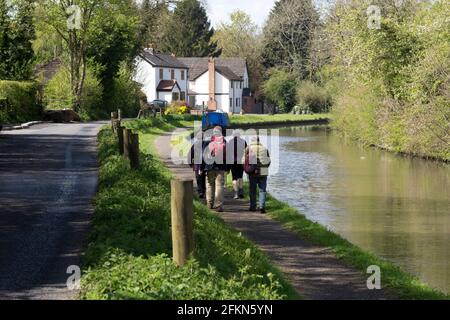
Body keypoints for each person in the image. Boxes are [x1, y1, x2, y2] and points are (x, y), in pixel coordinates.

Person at [243, 136, 271, 213]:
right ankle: (262, 206)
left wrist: (247, 169)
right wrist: (265, 167)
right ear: (259, 140)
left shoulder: (248, 148)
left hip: (253, 172)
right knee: (262, 190)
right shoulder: (264, 148)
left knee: (252, 190)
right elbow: (268, 161)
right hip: (264, 171)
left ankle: (253, 207)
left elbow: (244, 160)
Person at [204, 126, 228, 212]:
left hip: (210, 166)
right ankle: (218, 205)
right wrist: (227, 168)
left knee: (210, 185)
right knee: (219, 186)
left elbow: (204, 156)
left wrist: (203, 167)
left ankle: (209, 203)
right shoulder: (224, 141)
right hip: (221, 166)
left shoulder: (208, 141)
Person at [226, 130, 247, 199]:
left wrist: (227, 166)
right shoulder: (243, 142)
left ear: (233, 135)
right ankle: (241, 191)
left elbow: (228, 154)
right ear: (239, 135)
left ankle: (236, 193)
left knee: (234, 177)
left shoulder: (230, 142)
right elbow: (246, 153)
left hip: (232, 162)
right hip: (241, 162)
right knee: (240, 176)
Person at [188, 131, 206, 198]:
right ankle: (203, 190)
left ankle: (200, 191)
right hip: (205, 165)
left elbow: (190, 155)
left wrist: (190, 164)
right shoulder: (206, 144)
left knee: (198, 178)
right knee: (203, 177)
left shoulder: (195, 145)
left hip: (197, 165)